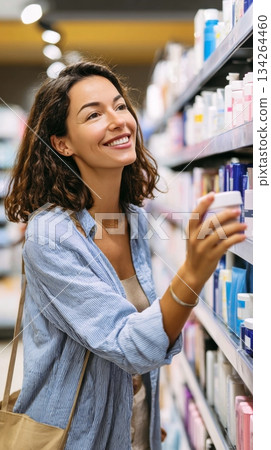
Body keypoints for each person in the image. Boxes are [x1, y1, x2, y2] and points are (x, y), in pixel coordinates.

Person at [5, 60, 247, 450]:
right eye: (94, 114)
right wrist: (194, 271)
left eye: (120, 106)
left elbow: (140, 333)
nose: (119, 120)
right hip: (73, 438)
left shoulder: (133, 219)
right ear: (62, 143)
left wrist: (142, 415)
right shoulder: (50, 237)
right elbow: (126, 343)